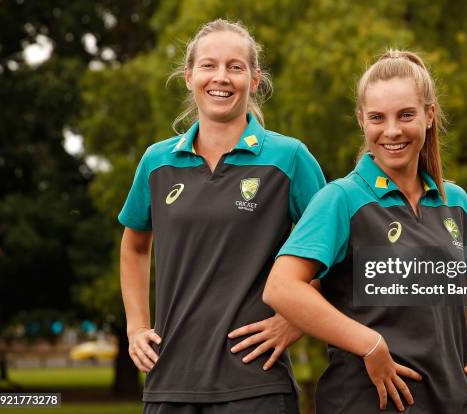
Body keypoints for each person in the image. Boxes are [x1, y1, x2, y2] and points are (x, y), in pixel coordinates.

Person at [264, 50, 467, 413]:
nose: (392, 131)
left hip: (451, 403)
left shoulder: (456, 201)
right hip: (365, 402)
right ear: (362, 121)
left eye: (406, 115)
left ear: (429, 115)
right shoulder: (341, 199)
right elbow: (282, 287)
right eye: (377, 117)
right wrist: (369, 344)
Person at [118, 18, 325, 413]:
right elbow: (135, 246)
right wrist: (136, 327)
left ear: (255, 78)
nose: (221, 77)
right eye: (209, 65)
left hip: (256, 384)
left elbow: (337, 253)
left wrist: (294, 320)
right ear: (189, 76)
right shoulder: (156, 161)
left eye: (235, 67)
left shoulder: (289, 158)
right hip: (169, 382)